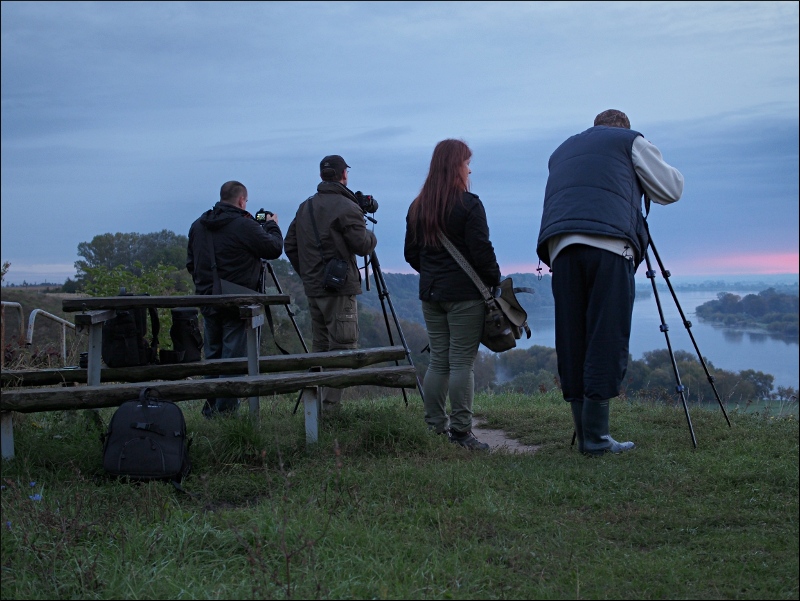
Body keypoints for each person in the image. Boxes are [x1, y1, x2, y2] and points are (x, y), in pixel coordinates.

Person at [536, 109, 684, 456]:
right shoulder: (629, 141)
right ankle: (597, 440)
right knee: (607, 335)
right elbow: (671, 189)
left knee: (572, 337)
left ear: (595, 126)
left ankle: (584, 433)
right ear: (623, 127)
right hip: (609, 243)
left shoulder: (561, 150)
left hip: (560, 246)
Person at [404, 139, 501, 451]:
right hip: (464, 296)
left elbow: (410, 254)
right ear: (455, 166)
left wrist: (435, 273)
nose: (469, 168)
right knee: (461, 362)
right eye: (466, 162)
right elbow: (482, 252)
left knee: (439, 362)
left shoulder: (417, 207)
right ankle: (461, 432)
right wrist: (493, 282)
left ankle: (435, 427)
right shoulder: (469, 204)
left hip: (431, 294)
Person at [284, 155, 378, 413]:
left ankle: (313, 411)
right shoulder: (347, 207)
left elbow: (289, 244)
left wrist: (308, 273)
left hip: (314, 288)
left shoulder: (306, 206)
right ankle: (329, 410)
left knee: (321, 347)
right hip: (339, 289)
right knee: (343, 349)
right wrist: (371, 236)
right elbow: (361, 245)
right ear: (343, 175)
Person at [187, 180, 283, 418]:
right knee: (233, 359)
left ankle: (210, 411)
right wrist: (271, 226)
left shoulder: (198, 225)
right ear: (242, 201)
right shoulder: (244, 225)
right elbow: (273, 249)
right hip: (237, 301)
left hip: (208, 299)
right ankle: (226, 415)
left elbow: (191, 263)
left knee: (213, 357)